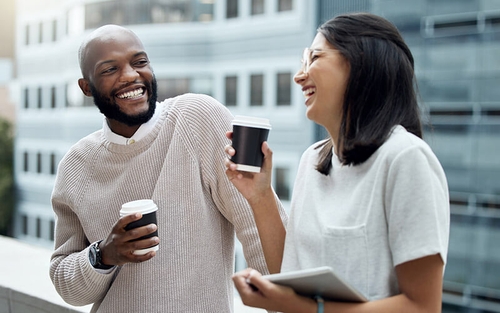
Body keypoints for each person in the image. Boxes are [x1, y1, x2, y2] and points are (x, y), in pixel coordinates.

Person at [49, 24, 287, 313]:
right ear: (87, 87)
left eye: (140, 62)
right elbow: (67, 285)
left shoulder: (198, 118)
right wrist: (104, 254)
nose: (131, 76)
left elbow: (257, 232)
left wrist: (291, 300)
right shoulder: (77, 165)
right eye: (110, 70)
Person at [227, 13, 450, 313]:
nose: (299, 75)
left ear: (361, 65)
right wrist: (261, 197)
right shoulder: (312, 161)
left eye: (314, 58)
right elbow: (292, 271)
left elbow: (422, 306)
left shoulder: (405, 158)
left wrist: (311, 309)